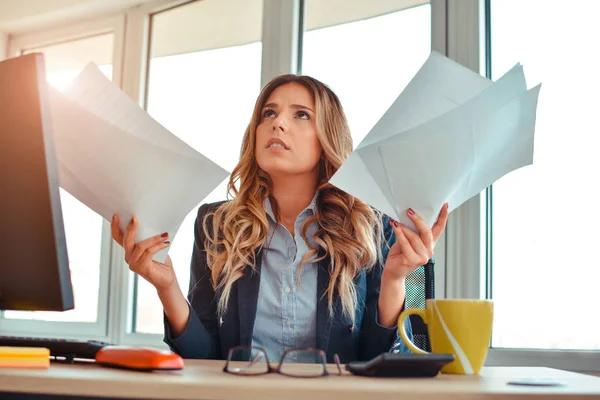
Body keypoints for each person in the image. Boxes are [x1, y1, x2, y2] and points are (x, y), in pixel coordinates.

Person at [111, 74, 448, 364]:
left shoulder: (370, 226)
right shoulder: (216, 224)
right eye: (269, 113)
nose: (278, 122)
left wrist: (394, 282)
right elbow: (205, 358)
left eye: (301, 115)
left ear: (327, 137)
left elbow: (375, 360)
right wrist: (166, 286)